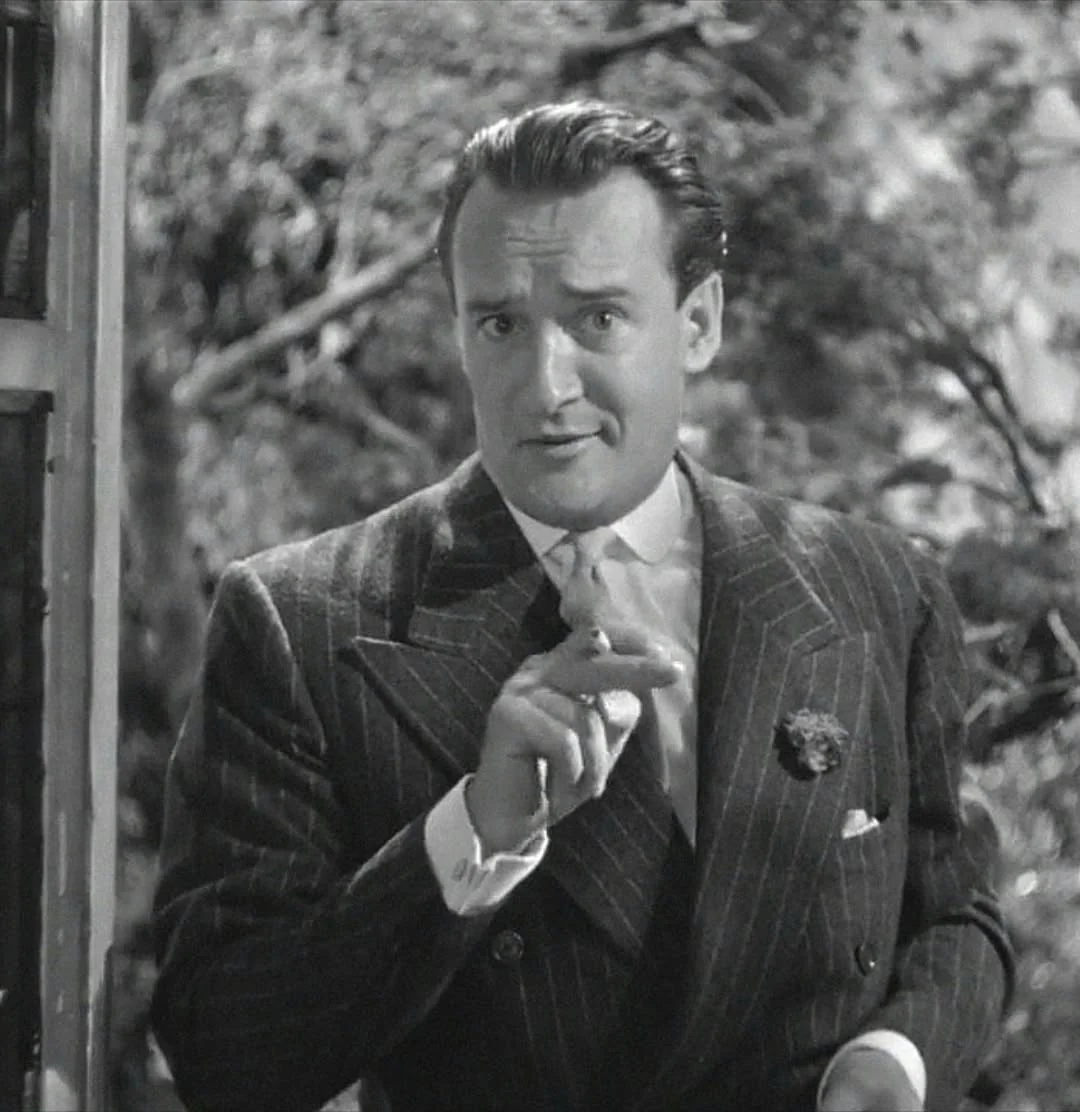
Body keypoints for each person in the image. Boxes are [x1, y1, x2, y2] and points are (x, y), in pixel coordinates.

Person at [151, 100, 1013, 1112]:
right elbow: (222, 1053)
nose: (544, 384)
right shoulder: (303, 622)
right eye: (501, 324)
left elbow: (958, 918)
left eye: (597, 319)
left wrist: (896, 1061)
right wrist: (474, 829)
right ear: (460, 329)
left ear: (698, 323)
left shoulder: (878, 587)